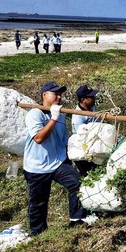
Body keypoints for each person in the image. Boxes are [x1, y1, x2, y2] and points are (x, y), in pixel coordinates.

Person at [23, 81, 96, 235]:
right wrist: (53, 118)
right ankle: (38, 232)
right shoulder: (35, 114)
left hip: (57, 162)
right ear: (44, 95)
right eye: (55, 93)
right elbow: (38, 138)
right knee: (39, 201)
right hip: (37, 166)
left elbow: (63, 140)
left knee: (77, 183)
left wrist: (68, 159)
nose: (59, 96)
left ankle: (76, 219)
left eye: (60, 93)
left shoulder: (60, 115)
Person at [71, 84, 101, 177]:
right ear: (83, 100)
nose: (94, 98)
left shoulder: (91, 108)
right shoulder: (78, 118)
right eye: (91, 97)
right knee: (89, 176)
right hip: (83, 150)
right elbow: (82, 138)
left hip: (94, 146)